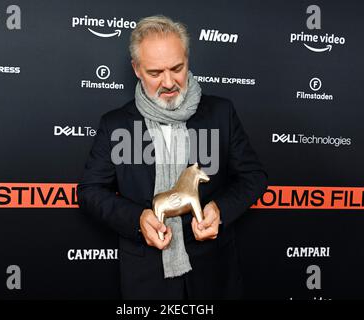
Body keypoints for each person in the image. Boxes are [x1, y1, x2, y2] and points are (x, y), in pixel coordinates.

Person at [77, 15, 267, 300]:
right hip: (146, 277)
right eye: (155, 73)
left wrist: (219, 210)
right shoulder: (115, 124)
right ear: (137, 70)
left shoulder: (220, 113)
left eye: (177, 68)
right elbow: (90, 191)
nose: (169, 82)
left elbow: (254, 177)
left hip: (214, 272)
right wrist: (138, 219)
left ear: (188, 60)